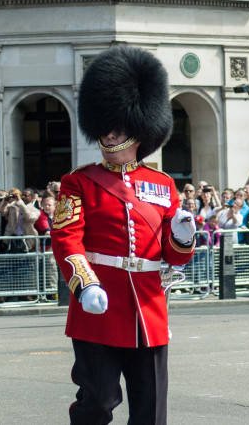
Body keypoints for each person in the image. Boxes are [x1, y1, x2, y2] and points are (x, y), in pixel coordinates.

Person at [50, 46, 196, 424]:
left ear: (140, 127)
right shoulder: (79, 181)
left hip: (148, 305)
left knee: (150, 411)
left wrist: (181, 237)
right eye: (107, 124)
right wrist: (84, 285)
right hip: (99, 304)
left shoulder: (162, 184)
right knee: (96, 404)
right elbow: (67, 237)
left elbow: (175, 257)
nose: (111, 132)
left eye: (120, 124)